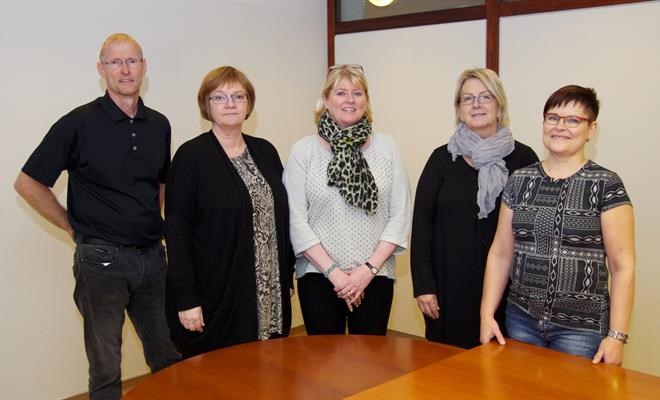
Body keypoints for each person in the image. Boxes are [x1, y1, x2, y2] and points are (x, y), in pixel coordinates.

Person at [14, 33, 180, 399]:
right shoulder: (78, 123)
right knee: (106, 369)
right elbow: (27, 183)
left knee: (168, 356)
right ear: (101, 69)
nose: (125, 70)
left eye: (132, 61)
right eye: (115, 62)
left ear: (144, 67)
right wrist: (71, 226)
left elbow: (161, 182)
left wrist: (147, 222)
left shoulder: (159, 124)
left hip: (153, 258)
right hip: (101, 262)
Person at [480, 85, 635, 365]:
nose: (560, 127)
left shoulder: (606, 184)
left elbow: (622, 266)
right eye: (552, 118)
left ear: (591, 129)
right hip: (521, 320)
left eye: (573, 120)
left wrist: (617, 336)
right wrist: (487, 314)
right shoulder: (520, 180)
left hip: (582, 331)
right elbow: (501, 253)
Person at [164, 66, 294, 358]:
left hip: (270, 294)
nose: (230, 104)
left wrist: (286, 277)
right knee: (225, 373)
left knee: (270, 371)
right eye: (219, 97)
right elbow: (176, 230)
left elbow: (281, 219)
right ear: (206, 105)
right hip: (217, 296)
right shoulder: (190, 157)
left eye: (238, 96)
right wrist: (186, 298)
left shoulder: (266, 151)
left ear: (249, 104)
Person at [411, 68, 538, 349]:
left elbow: (534, 228)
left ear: (499, 104)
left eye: (485, 97)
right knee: (446, 368)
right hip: (447, 290)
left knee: (500, 368)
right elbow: (421, 226)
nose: (476, 104)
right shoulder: (441, 160)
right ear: (459, 109)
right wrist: (424, 286)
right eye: (468, 99)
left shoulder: (524, 159)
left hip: (508, 292)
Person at [283, 64, 411, 335]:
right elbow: (296, 220)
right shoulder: (303, 151)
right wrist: (336, 274)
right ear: (326, 100)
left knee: (371, 358)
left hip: (375, 275)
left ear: (367, 100)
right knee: (323, 359)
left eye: (357, 93)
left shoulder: (388, 148)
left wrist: (366, 271)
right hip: (318, 276)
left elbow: (400, 215)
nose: (350, 100)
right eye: (341, 93)